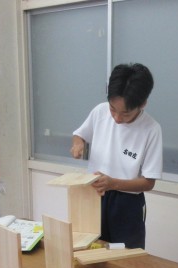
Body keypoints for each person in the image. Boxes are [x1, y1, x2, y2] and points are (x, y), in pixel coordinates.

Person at [70, 63, 163, 249]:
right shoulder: (100, 111)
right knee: (90, 248)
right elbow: (79, 134)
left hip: (127, 204)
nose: (117, 118)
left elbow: (148, 182)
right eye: (113, 109)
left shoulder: (152, 129)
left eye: (125, 113)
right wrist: (78, 144)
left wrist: (113, 183)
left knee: (125, 255)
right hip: (94, 195)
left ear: (142, 104)